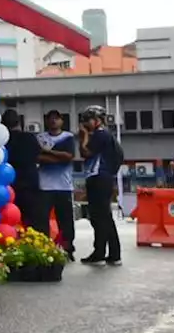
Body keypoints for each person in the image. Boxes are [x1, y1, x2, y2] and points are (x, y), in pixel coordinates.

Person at [79, 104, 122, 266]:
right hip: (104, 177)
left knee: (99, 217)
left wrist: (83, 137)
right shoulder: (106, 136)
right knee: (105, 216)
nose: (85, 124)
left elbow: (85, 152)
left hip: (99, 177)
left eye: (88, 120)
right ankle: (114, 254)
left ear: (97, 120)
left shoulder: (99, 134)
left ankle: (99, 253)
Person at [37, 109, 77, 260]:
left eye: (57, 118)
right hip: (44, 186)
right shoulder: (40, 138)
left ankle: (68, 249)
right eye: (50, 118)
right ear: (46, 121)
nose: (53, 121)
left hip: (64, 186)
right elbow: (38, 157)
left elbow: (69, 156)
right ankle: (44, 248)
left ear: (62, 121)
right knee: (42, 219)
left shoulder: (68, 137)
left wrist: (49, 152)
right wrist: (58, 157)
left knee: (66, 220)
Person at [2, 109, 45, 233]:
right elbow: (38, 154)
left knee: (8, 220)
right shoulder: (29, 137)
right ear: (19, 122)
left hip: (8, 185)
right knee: (32, 221)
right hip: (29, 183)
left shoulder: (1, 141)